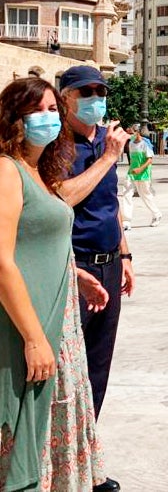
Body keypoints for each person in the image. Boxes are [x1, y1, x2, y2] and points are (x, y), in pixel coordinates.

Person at [0, 77, 117, 491]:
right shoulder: (7, 170)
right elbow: (2, 260)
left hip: (60, 311)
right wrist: (33, 338)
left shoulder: (38, 171)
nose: (49, 119)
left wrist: (77, 275)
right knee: (22, 424)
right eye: (38, 110)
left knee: (50, 414)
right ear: (14, 118)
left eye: (53, 110)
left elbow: (41, 240)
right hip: (28, 321)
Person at [57, 65, 133, 422]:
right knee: (65, 366)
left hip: (109, 263)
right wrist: (107, 159)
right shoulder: (56, 144)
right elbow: (63, 198)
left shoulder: (106, 140)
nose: (95, 99)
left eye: (100, 92)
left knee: (98, 365)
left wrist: (125, 253)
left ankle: (88, 458)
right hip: (73, 266)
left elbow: (110, 202)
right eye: (85, 92)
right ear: (65, 98)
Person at [122, 124, 162, 230]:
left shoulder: (145, 144)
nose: (130, 135)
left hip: (143, 174)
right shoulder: (130, 143)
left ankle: (157, 214)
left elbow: (149, 160)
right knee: (126, 194)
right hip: (131, 173)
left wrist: (140, 169)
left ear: (137, 132)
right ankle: (126, 220)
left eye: (131, 133)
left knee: (145, 196)